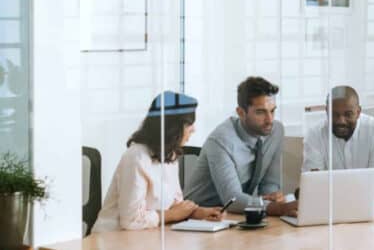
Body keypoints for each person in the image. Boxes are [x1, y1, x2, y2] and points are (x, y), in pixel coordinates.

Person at [92, 92, 223, 232]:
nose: (193, 129)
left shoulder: (169, 156)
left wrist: (197, 212)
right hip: (114, 239)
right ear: (172, 127)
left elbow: (176, 205)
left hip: (147, 237)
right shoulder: (136, 157)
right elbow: (131, 221)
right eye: (189, 124)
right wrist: (171, 215)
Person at [186, 76, 297, 216]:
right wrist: (277, 208)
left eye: (272, 111)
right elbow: (232, 200)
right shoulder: (221, 141)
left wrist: (273, 198)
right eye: (260, 112)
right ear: (241, 112)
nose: (270, 120)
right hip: (200, 217)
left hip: (238, 215)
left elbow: (270, 183)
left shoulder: (275, 131)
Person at [302, 85, 374, 202]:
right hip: (331, 205)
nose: (341, 121)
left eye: (348, 114)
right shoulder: (314, 134)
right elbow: (313, 183)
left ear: (358, 112)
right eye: (335, 114)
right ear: (326, 111)